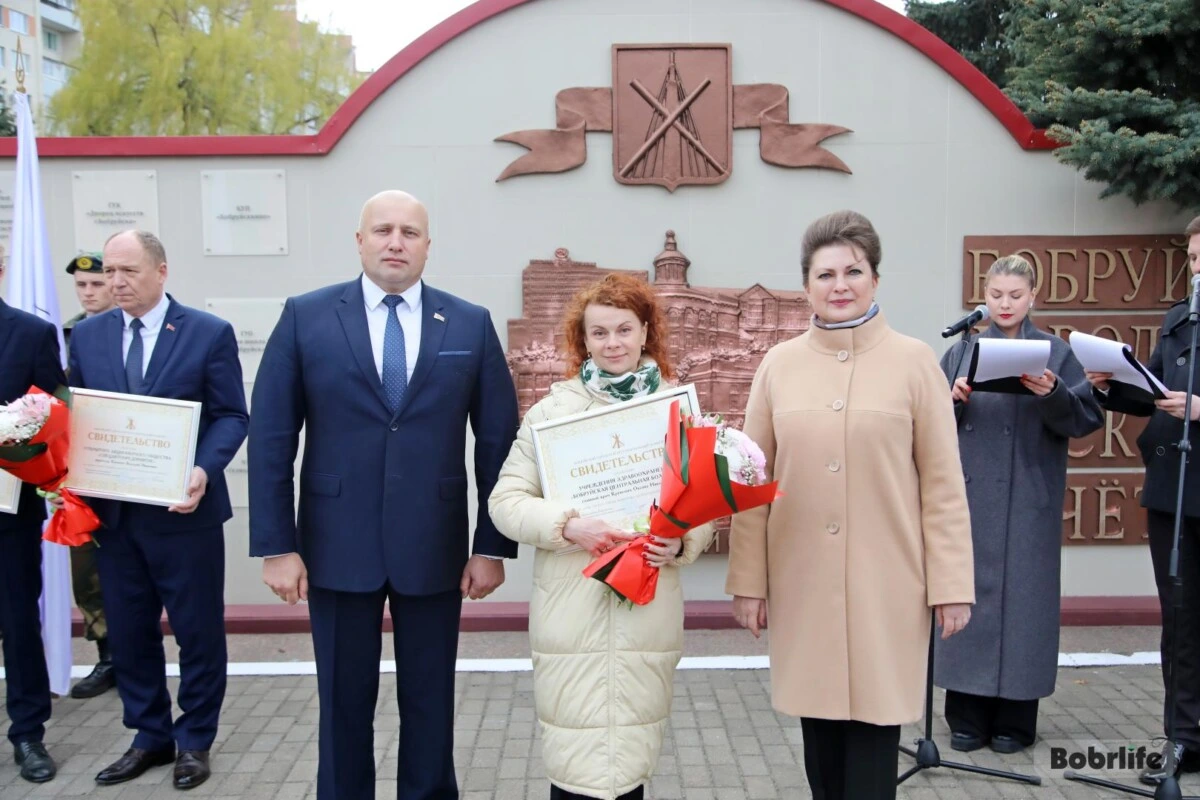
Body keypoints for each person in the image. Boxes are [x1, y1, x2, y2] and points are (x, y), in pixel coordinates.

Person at [248, 190, 519, 800]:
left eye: (410, 232)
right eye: (383, 230)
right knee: (342, 704)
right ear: (360, 240)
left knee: (431, 701)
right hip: (335, 544)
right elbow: (270, 436)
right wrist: (276, 545)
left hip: (435, 545)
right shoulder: (306, 316)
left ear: (427, 246)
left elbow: (498, 441)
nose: (396, 242)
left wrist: (491, 546)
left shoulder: (469, 323)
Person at [726, 210, 975, 800]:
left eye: (853, 271)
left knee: (871, 750)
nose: (840, 285)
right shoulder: (778, 365)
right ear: (806, 286)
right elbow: (750, 483)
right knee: (822, 750)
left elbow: (943, 484)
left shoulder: (915, 362)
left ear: (875, 279)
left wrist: (951, 584)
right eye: (826, 274)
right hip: (803, 582)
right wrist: (748, 583)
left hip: (887, 585)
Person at [489, 273, 715, 800]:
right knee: (576, 763)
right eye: (599, 332)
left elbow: (702, 501)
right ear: (583, 339)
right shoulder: (551, 413)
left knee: (630, 760)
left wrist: (682, 541)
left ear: (645, 333)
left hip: (647, 611)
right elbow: (505, 502)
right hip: (572, 608)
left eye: (624, 330)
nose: (613, 343)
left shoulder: (675, 409)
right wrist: (568, 524)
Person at [67, 230, 248, 790]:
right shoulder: (87, 336)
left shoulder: (207, 332)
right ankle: (149, 735)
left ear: (161, 271)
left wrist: (203, 469)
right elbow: (79, 413)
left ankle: (194, 739)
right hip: (115, 518)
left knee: (197, 632)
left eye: (129, 271)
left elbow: (231, 415)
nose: (116, 282)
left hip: (184, 514)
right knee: (128, 632)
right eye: (109, 272)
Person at [934, 254, 1103, 755]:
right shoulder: (962, 351)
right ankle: (965, 716)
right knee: (968, 604)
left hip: (1030, 502)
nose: (1004, 304)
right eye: (995, 295)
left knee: (1025, 610)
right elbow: (924, 424)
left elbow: (1085, 420)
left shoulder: (1056, 353)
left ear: (1033, 297)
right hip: (970, 502)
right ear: (983, 297)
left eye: (1014, 295)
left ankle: (1016, 720)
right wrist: (951, 400)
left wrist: (1053, 393)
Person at [1086, 215, 1200, 786]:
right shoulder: (1180, 320)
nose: (1198, 268)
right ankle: (1183, 737)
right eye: (1194, 258)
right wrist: (1111, 384)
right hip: (1175, 488)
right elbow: (1154, 391)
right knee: (1180, 620)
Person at [0, 256, 66, 784]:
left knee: (18, 622)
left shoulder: (29, 334)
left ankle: (27, 733)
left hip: (8, 514)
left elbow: (57, 414)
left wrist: (25, 448)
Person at [62, 253, 118, 699]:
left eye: (96, 283)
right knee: (86, 573)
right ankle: (107, 655)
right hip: (79, 474)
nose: (89, 292)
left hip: (127, 468)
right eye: (82, 285)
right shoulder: (64, 334)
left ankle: (131, 657)